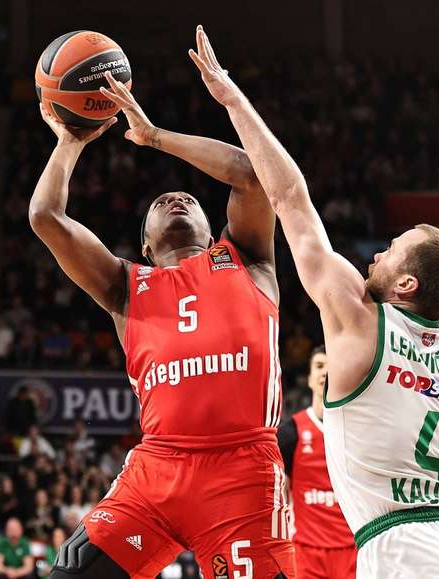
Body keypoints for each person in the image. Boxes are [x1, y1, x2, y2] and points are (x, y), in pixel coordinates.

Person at [186, 24, 439, 579]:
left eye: (391, 252)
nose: (376, 255)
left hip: (404, 545)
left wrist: (232, 98)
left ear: (407, 285)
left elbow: (288, 197)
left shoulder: (358, 319)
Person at [33, 28, 291, 578]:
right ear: (145, 246)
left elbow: (250, 174)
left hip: (242, 472)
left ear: (209, 224)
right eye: (161, 202)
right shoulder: (125, 286)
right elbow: (45, 219)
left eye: (190, 199)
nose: (177, 198)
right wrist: (70, 141)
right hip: (156, 469)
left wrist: (153, 137)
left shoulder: (247, 259)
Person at [276, 346, 356, 578]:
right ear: (309, 379)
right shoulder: (291, 432)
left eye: (332, 367)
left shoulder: (359, 431)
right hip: (306, 551)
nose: (325, 373)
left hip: (353, 549)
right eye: (319, 366)